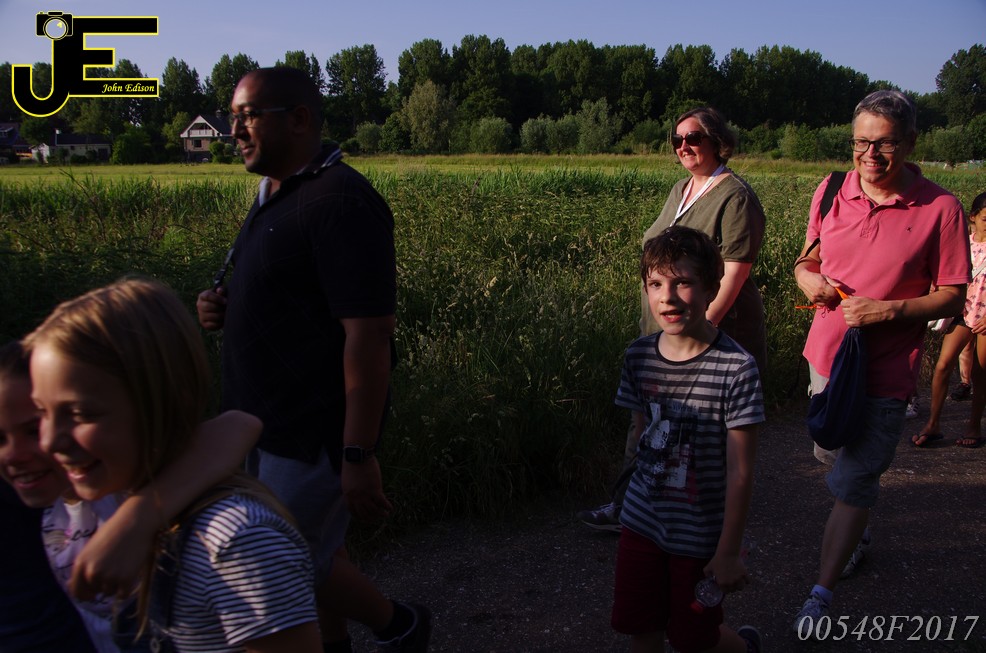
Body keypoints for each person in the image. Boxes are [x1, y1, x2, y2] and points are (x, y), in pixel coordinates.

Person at [195, 66, 429, 653]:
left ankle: (399, 624)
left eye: (249, 116)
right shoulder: (276, 193)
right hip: (258, 420)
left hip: (307, 431)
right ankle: (355, 639)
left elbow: (370, 336)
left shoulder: (340, 200)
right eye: (232, 117)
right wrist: (223, 305)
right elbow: (294, 296)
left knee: (278, 558)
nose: (234, 131)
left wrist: (357, 453)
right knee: (313, 551)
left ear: (299, 119)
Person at [26, 278, 323, 652]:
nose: (49, 441)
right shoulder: (101, 499)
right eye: (41, 412)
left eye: (81, 414)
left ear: (167, 399)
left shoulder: (236, 543)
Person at [791, 90, 968, 637]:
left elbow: (953, 294)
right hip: (827, 357)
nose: (870, 154)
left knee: (855, 479)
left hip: (887, 370)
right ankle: (858, 521)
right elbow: (808, 259)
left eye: (884, 143)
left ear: (910, 143)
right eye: (861, 142)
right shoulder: (830, 190)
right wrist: (809, 280)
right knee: (829, 453)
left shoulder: (941, 208)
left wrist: (890, 310)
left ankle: (821, 594)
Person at [0, 339, 265, 652]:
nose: (14, 454)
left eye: (34, 430)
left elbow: (239, 424)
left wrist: (135, 521)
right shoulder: (38, 490)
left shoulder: (111, 477)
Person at [578, 106, 767, 532]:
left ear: (718, 141)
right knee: (647, 419)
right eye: (677, 140)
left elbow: (735, 273)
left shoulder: (735, 196)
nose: (684, 146)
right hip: (664, 332)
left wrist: (702, 335)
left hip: (707, 335)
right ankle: (630, 505)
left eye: (693, 138)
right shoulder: (682, 189)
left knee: (701, 430)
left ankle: (701, 519)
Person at [610, 226, 764, 653]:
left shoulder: (737, 369)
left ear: (713, 288)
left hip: (698, 536)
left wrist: (728, 550)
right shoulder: (638, 356)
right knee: (642, 628)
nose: (668, 297)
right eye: (656, 284)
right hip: (641, 522)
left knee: (695, 640)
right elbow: (641, 437)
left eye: (683, 282)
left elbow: (741, 471)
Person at [913, 192, 986, 447]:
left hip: (985, 317)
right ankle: (933, 424)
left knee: (980, 373)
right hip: (963, 312)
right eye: (985, 219)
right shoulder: (963, 243)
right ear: (973, 217)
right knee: (943, 365)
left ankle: (974, 426)